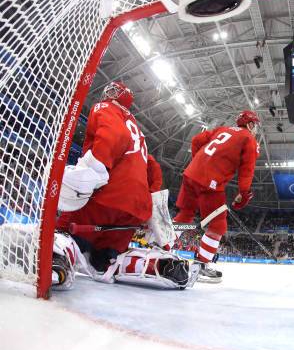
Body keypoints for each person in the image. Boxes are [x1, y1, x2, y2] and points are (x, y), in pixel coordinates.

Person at [54, 81, 192, 290]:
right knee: (105, 257)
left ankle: (56, 262)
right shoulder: (137, 129)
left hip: (108, 197)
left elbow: (115, 135)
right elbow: (154, 168)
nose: (108, 93)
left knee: (66, 231)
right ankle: (158, 266)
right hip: (134, 210)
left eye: (113, 91)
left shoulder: (105, 107)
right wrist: (148, 199)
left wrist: (96, 167)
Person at [173, 110, 260, 282]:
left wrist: (198, 161)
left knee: (184, 215)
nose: (255, 129)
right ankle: (201, 265)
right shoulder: (248, 139)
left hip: (191, 175)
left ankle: (162, 248)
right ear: (250, 125)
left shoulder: (222, 129)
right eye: (255, 125)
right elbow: (246, 171)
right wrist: (243, 193)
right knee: (217, 225)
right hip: (209, 183)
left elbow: (196, 140)